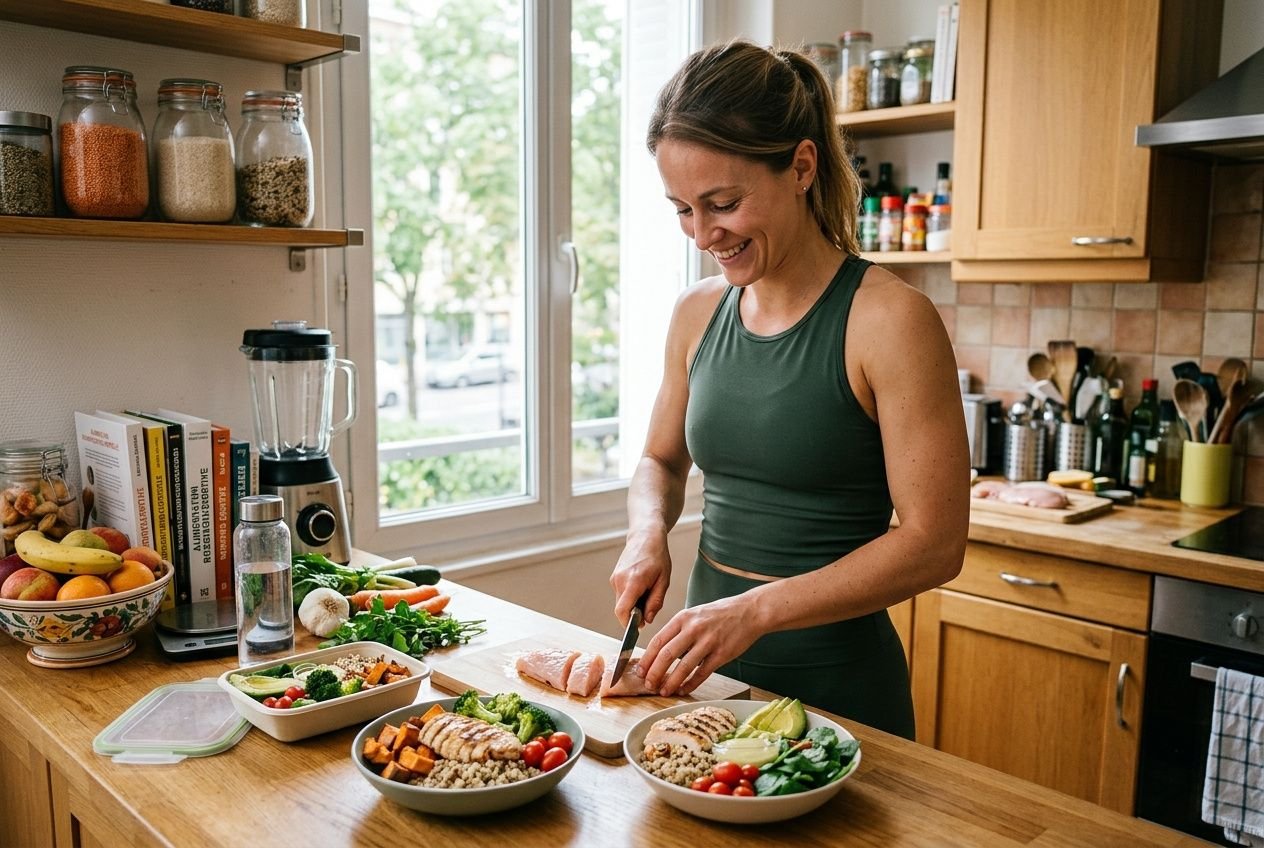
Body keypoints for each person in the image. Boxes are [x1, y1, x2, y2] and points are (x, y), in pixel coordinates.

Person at [607, 39, 969, 739]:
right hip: (705, 684)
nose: (703, 234)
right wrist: (646, 532)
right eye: (683, 208)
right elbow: (660, 461)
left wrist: (756, 610)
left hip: (842, 693)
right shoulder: (697, 312)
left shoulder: (891, 320)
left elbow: (935, 542)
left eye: (724, 203)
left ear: (801, 166)